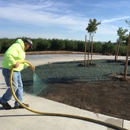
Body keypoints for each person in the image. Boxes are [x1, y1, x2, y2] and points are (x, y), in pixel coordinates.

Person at [0, 38, 35, 109]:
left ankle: (18, 103)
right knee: (14, 87)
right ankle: (3, 100)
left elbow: (21, 61)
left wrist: (28, 66)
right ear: (27, 44)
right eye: (29, 46)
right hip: (10, 70)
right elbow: (7, 54)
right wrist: (13, 63)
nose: (29, 48)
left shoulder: (22, 50)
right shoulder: (16, 46)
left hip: (17, 71)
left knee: (19, 86)